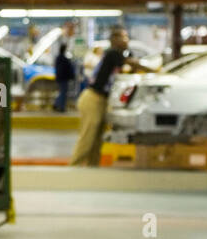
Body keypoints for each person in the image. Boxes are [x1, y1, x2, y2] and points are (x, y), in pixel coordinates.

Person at [70, 27, 153, 166]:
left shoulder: (118, 56)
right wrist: (155, 70)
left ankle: (92, 169)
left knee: (97, 141)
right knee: (88, 138)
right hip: (93, 99)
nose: (127, 40)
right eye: (124, 37)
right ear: (114, 40)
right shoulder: (113, 53)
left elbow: (129, 68)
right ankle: (73, 169)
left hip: (101, 101)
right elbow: (132, 63)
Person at [53, 22, 76, 112]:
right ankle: (61, 107)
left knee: (61, 92)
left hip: (59, 78)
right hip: (64, 78)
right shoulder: (65, 59)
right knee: (63, 92)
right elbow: (68, 69)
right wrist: (72, 76)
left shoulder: (58, 58)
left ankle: (57, 104)